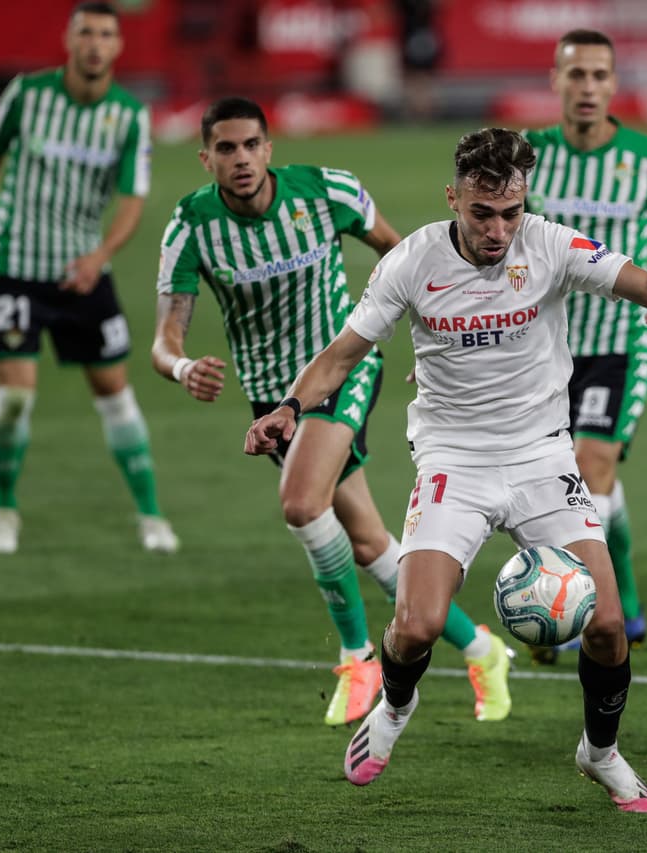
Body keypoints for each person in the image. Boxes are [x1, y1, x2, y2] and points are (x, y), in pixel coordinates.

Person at [245, 128, 647, 812]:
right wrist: (288, 407)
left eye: (511, 211)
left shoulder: (547, 242)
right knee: (418, 623)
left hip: (542, 453)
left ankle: (599, 752)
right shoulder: (411, 260)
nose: (498, 228)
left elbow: (629, 275)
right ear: (453, 198)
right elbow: (343, 351)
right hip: (454, 459)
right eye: (482, 212)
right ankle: (394, 707)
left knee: (604, 623)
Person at [152, 97, 513, 727]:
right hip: (273, 397)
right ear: (206, 157)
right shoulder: (192, 225)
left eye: (252, 145)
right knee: (370, 542)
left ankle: (356, 657)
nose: (241, 159)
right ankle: (483, 651)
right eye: (227, 149)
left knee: (300, 503)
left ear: (269, 148)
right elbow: (166, 338)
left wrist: (435, 331)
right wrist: (183, 367)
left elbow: (404, 256)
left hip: (341, 369)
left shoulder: (325, 192)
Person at [523, 29, 647, 657]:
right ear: (554, 80)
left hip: (621, 342)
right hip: (543, 347)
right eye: (575, 75)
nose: (587, 88)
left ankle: (575, 609)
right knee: (550, 478)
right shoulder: (527, 155)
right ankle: (625, 597)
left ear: (614, 84)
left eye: (599, 75)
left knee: (590, 467)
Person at [0, 1, 177, 555]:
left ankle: (152, 515)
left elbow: (133, 197)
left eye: (106, 34)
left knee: (115, 393)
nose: (96, 44)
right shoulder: (27, 95)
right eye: (86, 33)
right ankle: (3, 508)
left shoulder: (129, 114)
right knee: (13, 400)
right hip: (15, 267)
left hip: (83, 272)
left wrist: (99, 253)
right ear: (69, 39)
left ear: (118, 46)